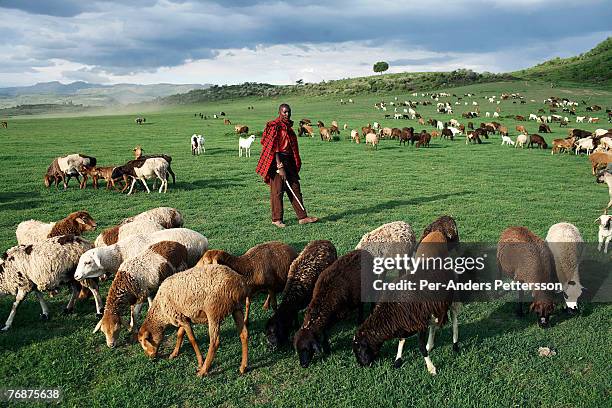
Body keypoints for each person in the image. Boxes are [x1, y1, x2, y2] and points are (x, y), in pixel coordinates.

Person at [256, 104, 318, 228]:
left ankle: (302, 217)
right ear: (279, 112)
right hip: (276, 160)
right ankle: (276, 219)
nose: (287, 114)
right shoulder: (275, 126)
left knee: (295, 187)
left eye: (288, 112)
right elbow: (274, 148)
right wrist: (279, 166)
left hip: (289, 160)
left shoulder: (288, 127)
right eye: (284, 112)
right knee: (277, 190)